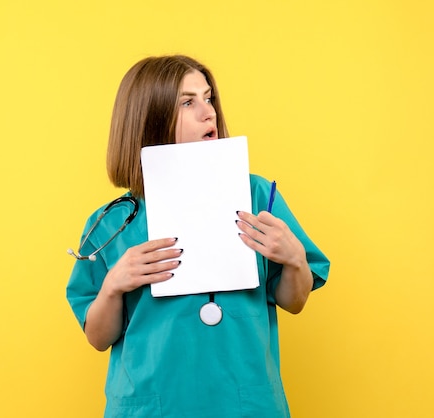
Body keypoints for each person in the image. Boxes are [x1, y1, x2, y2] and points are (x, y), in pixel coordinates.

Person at [66, 55, 330, 418]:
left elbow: (293, 301)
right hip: (153, 406)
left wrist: (295, 259)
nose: (209, 113)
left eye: (209, 99)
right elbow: (98, 338)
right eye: (188, 102)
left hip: (245, 405)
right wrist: (113, 285)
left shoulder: (255, 196)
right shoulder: (113, 223)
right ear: (150, 117)